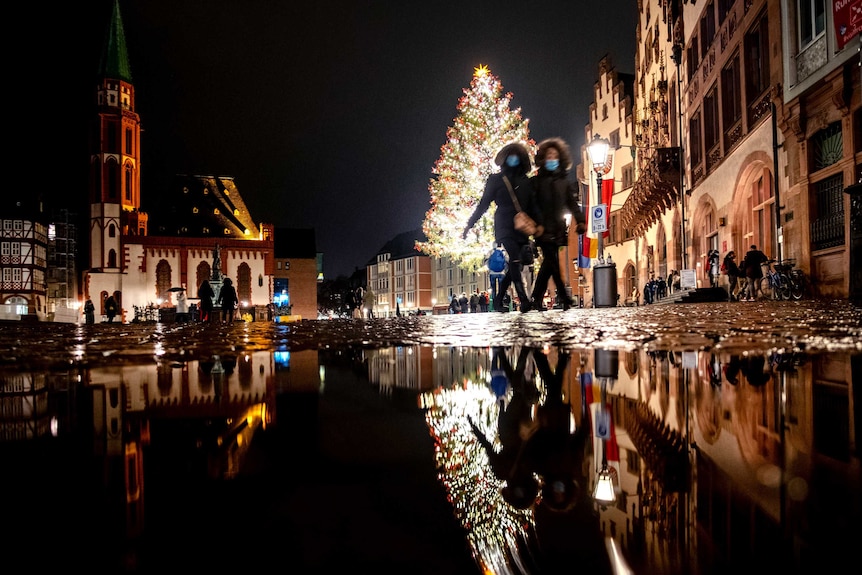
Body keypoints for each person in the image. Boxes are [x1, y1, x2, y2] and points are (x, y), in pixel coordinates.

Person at [462, 142, 541, 313]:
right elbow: (483, 205)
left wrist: (538, 227)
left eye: (516, 157)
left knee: (516, 265)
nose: (513, 160)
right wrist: (469, 224)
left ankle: (498, 299)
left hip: (521, 227)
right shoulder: (495, 180)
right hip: (504, 225)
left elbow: (533, 206)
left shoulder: (525, 182)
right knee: (514, 257)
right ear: (504, 159)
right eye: (510, 156)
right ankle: (524, 300)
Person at [528, 138, 585, 311]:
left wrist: (580, 220)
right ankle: (564, 296)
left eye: (555, 155)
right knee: (552, 262)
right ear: (543, 159)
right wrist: (536, 224)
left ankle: (536, 298)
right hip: (542, 228)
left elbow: (572, 204)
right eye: (549, 155)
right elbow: (533, 205)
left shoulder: (564, 182)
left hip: (558, 228)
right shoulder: (536, 181)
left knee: (548, 264)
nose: (552, 158)